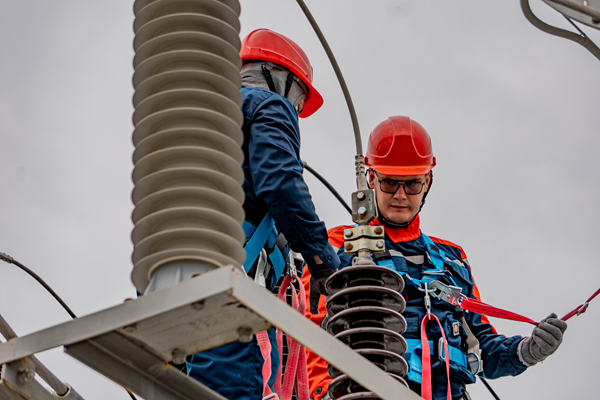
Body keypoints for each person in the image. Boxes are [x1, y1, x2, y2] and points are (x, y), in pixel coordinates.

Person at [301, 116, 567, 400]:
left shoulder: (453, 260)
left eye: (412, 184)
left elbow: (482, 345)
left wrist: (526, 352)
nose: (401, 195)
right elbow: (310, 330)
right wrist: (323, 394)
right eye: (390, 183)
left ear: (427, 182)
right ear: (371, 179)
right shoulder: (339, 245)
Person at [185, 29, 340, 400]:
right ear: (280, 78)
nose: (298, 111)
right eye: (300, 101)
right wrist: (322, 260)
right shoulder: (269, 105)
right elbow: (281, 184)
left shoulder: (205, 118)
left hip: (178, 285)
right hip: (229, 291)